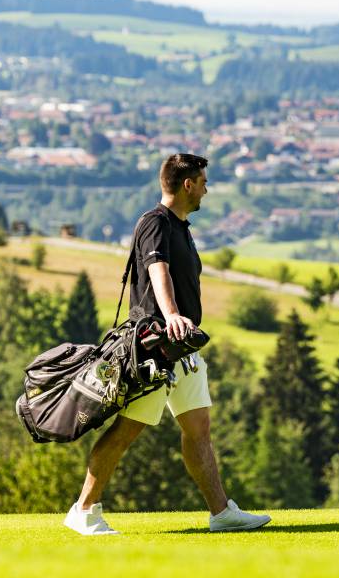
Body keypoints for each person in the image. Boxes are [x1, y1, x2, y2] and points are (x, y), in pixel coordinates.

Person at [64, 154, 271, 535]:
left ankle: (221, 512)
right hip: (155, 349)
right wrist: (172, 314)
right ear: (187, 184)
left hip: (182, 349)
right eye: (203, 182)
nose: (207, 189)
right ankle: (84, 510)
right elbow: (157, 269)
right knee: (127, 430)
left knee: (199, 429)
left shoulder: (181, 227)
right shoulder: (155, 222)